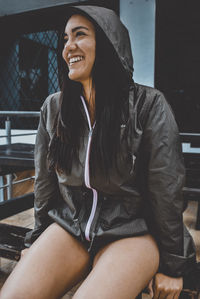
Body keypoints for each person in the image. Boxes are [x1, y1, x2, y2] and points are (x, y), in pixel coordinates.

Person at [0, 5, 196, 299]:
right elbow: (45, 183)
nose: (69, 46)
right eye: (65, 38)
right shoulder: (54, 108)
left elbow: (165, 189)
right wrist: (37, 239)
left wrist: (173, 264)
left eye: (80, 35)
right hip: (72, 226)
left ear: (108, 43)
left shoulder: (149, 105)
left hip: (133, 231)